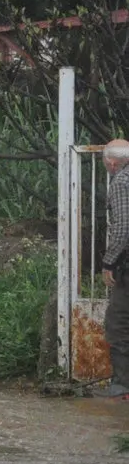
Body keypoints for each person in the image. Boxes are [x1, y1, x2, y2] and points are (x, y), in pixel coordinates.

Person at [102, 139, 129, 397]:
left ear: (111, 163)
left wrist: (109, 262)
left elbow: (122, 231)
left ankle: (122, 387)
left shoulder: (121, 182)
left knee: (119, 323)